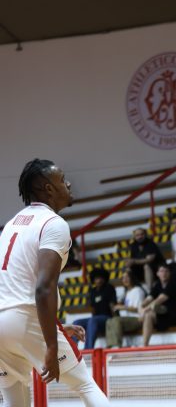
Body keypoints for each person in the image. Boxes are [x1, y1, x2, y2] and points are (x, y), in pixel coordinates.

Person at [0, 159, 110, 406]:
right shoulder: (53, 223)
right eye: (62, 179)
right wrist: (51, 344)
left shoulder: (12, 224)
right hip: (26, 317)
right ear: (48, 188)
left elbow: (15, 285)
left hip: (2, 323)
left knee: (14, 401)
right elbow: (43, 288)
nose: (68, 184)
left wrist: (52, 326)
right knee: (85, 385)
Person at [138, 263, 176, 347]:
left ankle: (144, 345)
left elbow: (160, 299)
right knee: (147, 314)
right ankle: (145, 344)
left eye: (166, 271)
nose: (164, 273)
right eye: (162, 271)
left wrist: (144, 310)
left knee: (149, 313)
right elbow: (149, 299)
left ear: (170, 273)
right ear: (157, 274)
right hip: (166, 314)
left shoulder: (172, 284)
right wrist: (141, 307)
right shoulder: (158, 285)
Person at [72, 267, 117, 349]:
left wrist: (115, 318)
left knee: (92, 321)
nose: (98, 280)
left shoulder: (109, 288)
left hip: (107, 317)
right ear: (93, 279)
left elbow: (112, 305)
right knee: (76, 322)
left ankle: (88, 349)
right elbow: (91, 307)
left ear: (104, 278)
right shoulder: (92, 291)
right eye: (96, 278)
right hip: (96, 319)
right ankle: (74, 348)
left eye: (100, 278)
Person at [105, 269, 146, 348]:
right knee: (109, 321)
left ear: (132, 278)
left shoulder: (138, 290)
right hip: (128, 319)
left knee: (116, 320)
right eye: (123, 278)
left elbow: (137, 309)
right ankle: (110, 346)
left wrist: (122, 307)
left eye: (127, 277)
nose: (125, 279)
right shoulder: (127, 292)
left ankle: (116, 345)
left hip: (137, 319)